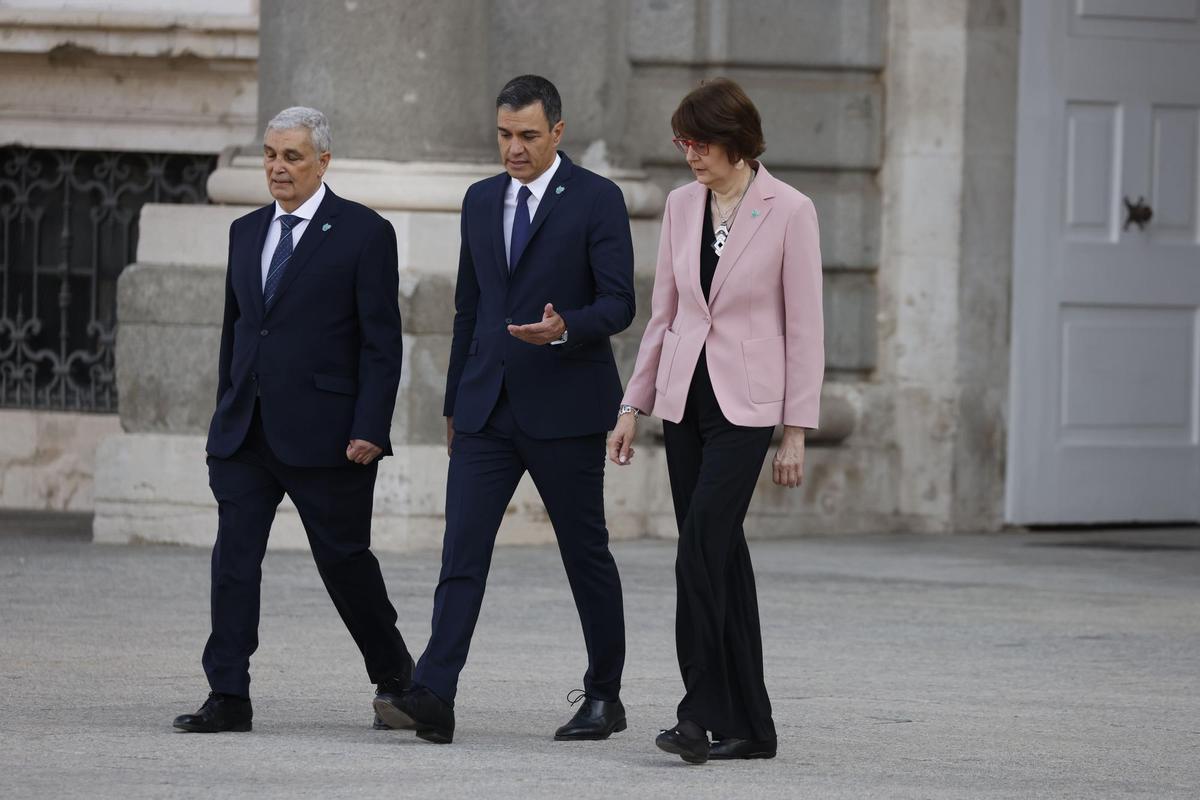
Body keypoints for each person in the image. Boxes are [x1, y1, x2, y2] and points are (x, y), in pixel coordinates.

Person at [373, 75, 634, 745]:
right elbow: (470, 306)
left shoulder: (598, 200)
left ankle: (605, 695)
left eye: (526, 136)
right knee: (460, 551)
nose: (513, 148)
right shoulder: (480, 199)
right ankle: (434, 694)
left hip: (566, 407)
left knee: (585, 555)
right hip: (487, 408)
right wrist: (456, 398)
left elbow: (619, 304)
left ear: (557, 133)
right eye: (504, 135)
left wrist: (565, 326)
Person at [173, 107, 413, 733]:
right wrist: (223, 415)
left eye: (293, 157)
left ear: (323, 162)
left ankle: (396, 677)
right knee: (233, 561)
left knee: (344, 562)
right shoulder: (246, 231)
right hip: (245, 432)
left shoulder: (364, 232)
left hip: (331, 436)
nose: (278, 168)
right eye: (271, 155)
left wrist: (371, 427)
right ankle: (228, 694)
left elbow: (382, 344)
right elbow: (238, 331)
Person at [608, 78, 825, 764]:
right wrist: (630, 403)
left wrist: (794, 432)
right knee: (722, 558)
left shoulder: (790, 210)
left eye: (698, 143)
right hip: (683, 401)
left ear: (736, 141)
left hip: (747, 407)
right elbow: (665, 313)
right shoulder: (680, 205)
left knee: (700, 547)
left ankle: (697, 713)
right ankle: (754, 726)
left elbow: (806, 327)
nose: (689, 155)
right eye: (683, 143)